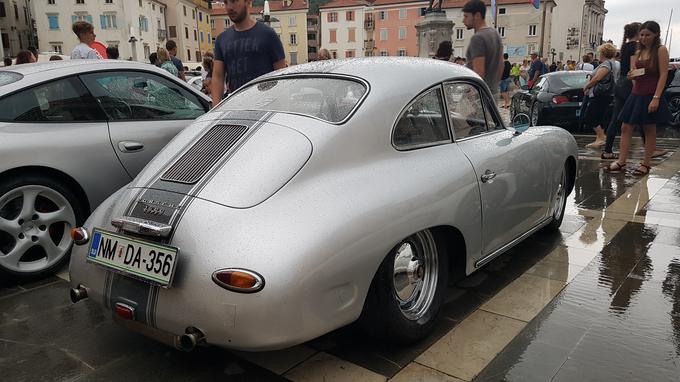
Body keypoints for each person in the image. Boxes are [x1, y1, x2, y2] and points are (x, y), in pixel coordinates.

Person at [609, 21, 671, 176]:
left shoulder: (661, 50)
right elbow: (633, 72)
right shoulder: (638, 51)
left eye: (647, 35)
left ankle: (646, 163)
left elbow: (663, 74)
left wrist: (656, 97)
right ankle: (622, 161)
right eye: (642, 34)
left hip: (651, 93)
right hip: (636, 93)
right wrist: (632, 75)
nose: (643, 38)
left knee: (649, 128)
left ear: (656, 34)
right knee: (625, 126)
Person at [211, 0, 286, 106]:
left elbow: (281, 75)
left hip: (266, 106)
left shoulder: (268, 35)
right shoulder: (221, 39)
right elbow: (218, 76)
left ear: (248, 1)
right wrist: (216, 107)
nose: (229, 7)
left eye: (233, 1)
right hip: (235, 107)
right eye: (226, 2)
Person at [602, 23, 641, 159]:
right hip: (629, 83)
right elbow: (633, 69)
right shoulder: (636, 46)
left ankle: (607, 150)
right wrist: (645, 73)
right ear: (638, 32)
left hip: (620, 83)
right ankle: (650, 147)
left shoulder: (625, 46)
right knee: (639, 114)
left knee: (616, 119)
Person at [462, 0, 503, 94]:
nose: (463, 20)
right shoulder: (495, 34)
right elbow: (501, 66)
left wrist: (472, 94)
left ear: (477, 15)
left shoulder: (477, 38)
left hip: (480, 95)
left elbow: (479, 72)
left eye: (466, 16)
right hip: (493, 92)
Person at [582, 43, 616, 148]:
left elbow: (598, 78)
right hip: (605, 94)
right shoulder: (612, 63)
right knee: (598, 116)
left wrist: (587, 86)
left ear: (603, 53)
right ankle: (600, 137)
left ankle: (601, 137)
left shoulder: (606, 64)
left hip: (601, 94)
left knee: (589, 116)